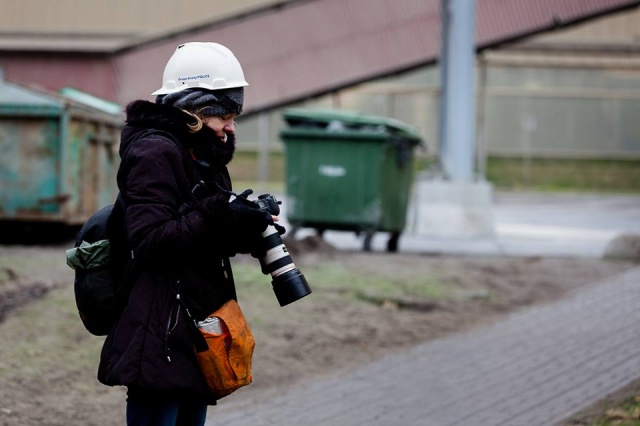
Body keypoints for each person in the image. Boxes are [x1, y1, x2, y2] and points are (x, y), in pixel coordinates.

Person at [97, 42, 276, 426]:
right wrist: (219, 215)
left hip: (198, 324)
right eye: (224, 114)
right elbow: (149, 240)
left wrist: (247, 225)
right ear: (194, 109)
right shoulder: (154, 153)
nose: (231, 126)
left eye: (234, 115)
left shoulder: (203, 154)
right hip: (159, 324)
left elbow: (203, 234)